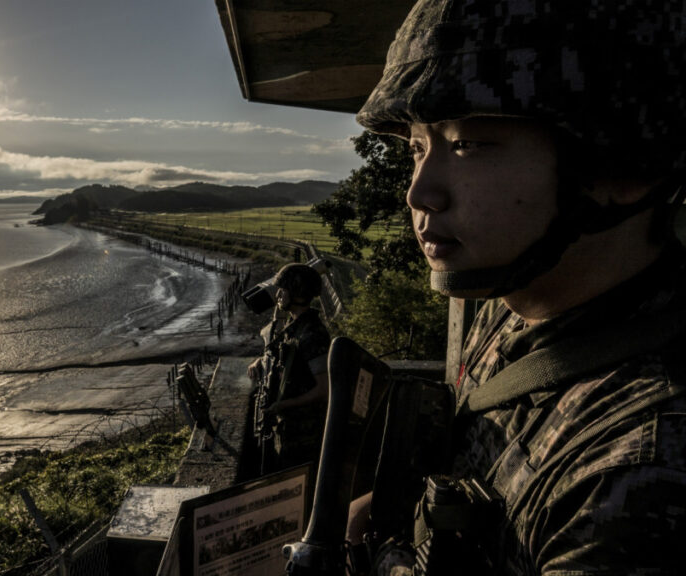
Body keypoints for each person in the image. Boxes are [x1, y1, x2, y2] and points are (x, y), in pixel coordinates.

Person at [345, 0, 686, 574]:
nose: (419, 193)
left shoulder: (640, 478)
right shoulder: (518, 300)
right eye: (418, 148)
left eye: (468, 144)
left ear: (623, 169)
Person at [246, 263, 331, 476]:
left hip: (304, 434)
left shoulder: (312, 335)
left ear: (296, 294)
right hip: (289, 429)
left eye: (283, 290)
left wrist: (283, 405)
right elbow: (285, 358)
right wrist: (260, 362)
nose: (279, 296)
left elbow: (324, 389)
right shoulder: (295, 327)